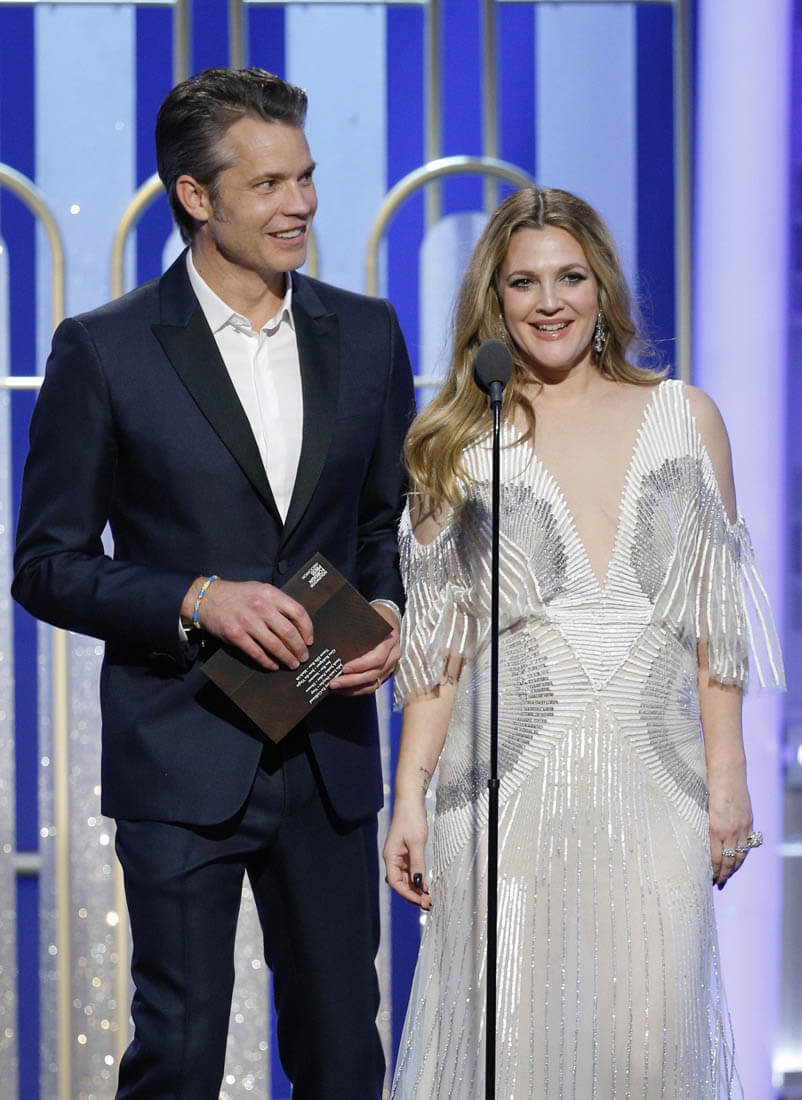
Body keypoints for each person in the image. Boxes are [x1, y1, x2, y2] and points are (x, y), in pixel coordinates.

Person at [13, 67, 415, 1099]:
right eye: (269, 183)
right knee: (179, 1052)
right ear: (196, 195)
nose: (300, 204)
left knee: (342, 1052)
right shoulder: (104, 349)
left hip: (326, 745)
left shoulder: (367, 332)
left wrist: (388, 611)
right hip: (180, 746)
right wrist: (196, 598)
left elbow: (386, 520)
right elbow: (47, 565)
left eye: (306, 177)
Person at [383, 186, 784, 1099]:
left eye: (570, 277)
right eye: (524, 282)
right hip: (505, 798)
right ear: (495, 299)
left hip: (656, 789)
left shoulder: (688, 416)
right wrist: (408, 797)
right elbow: (440, 650)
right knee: (513, 1054)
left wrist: (729, 779)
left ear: (603, 288)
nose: (549, 301)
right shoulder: (457, 440)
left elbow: (715, 625)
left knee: (650, 1055)